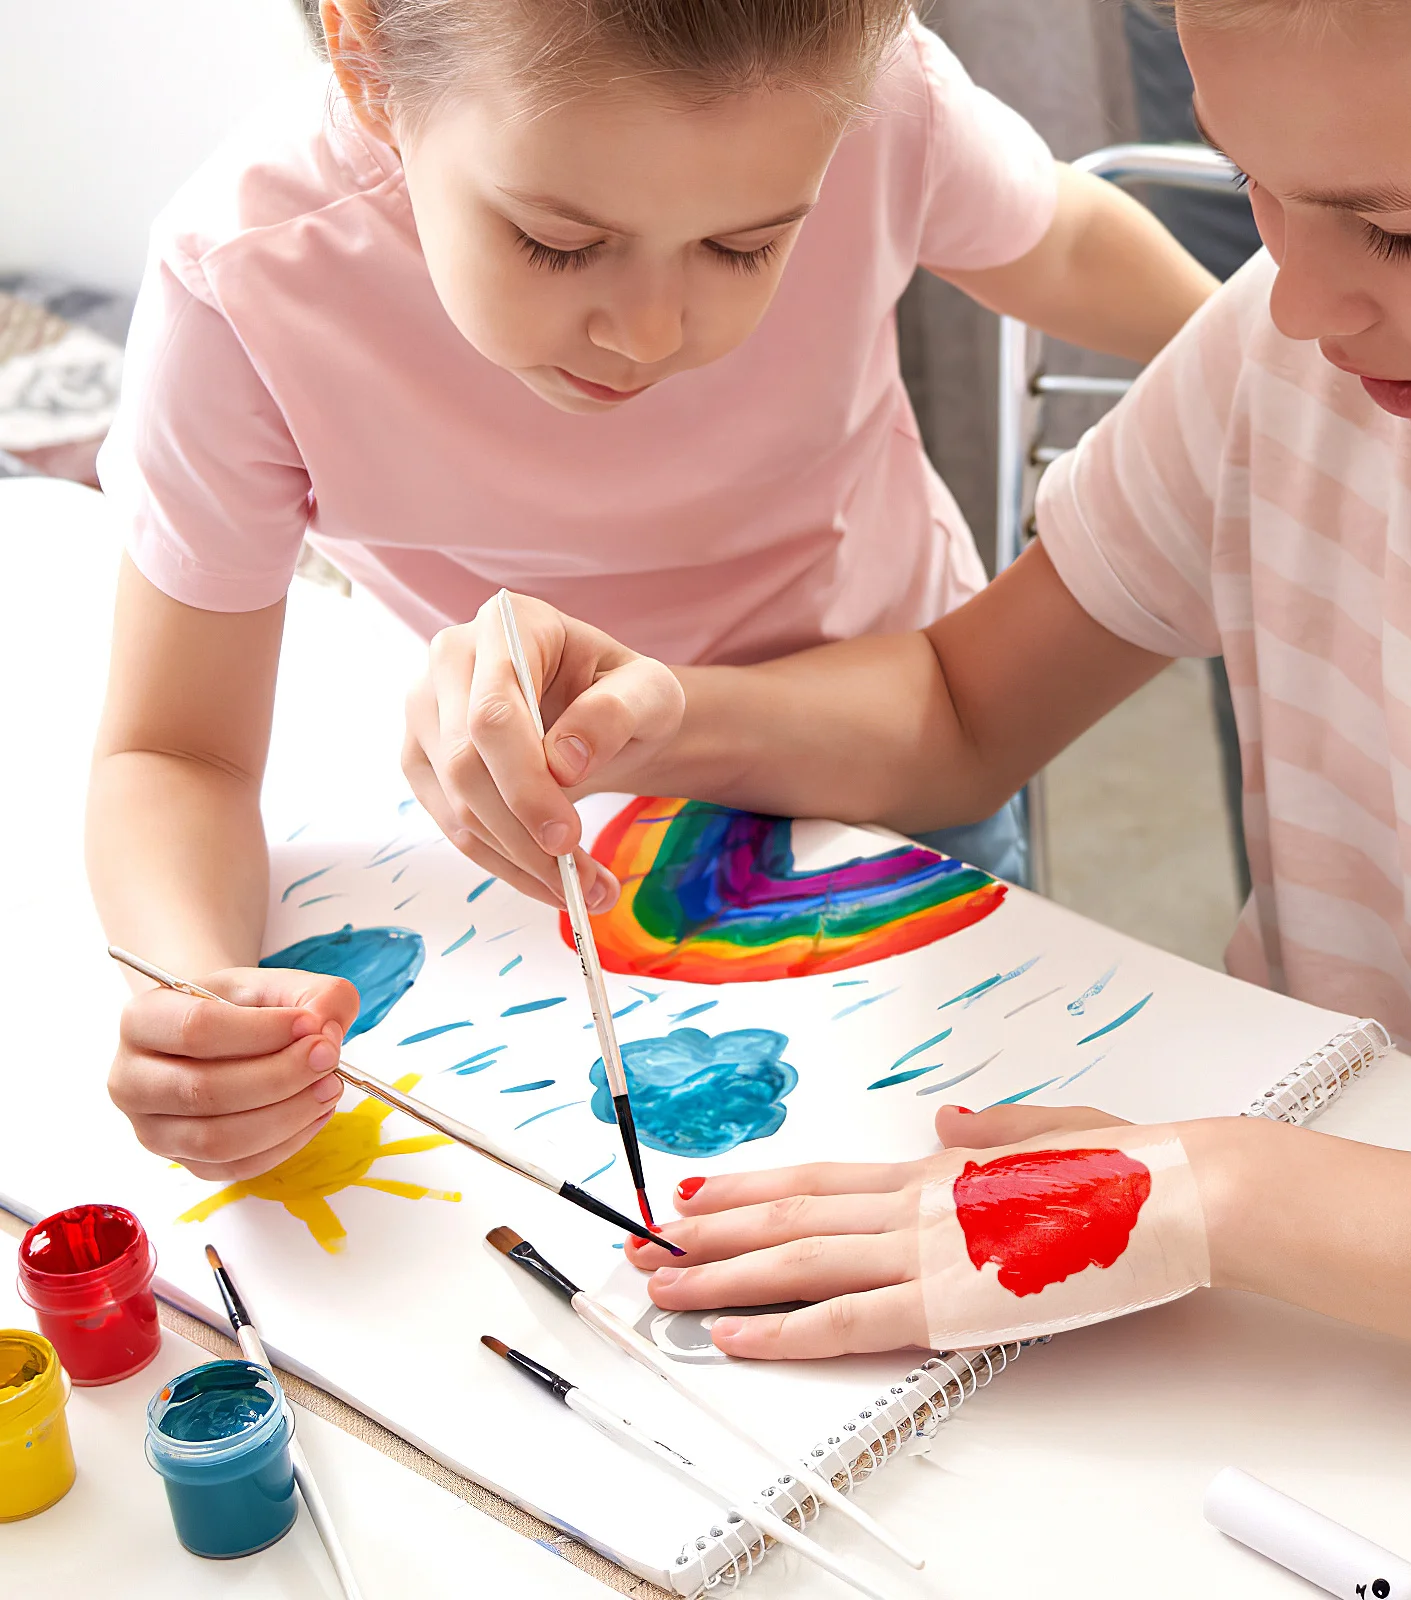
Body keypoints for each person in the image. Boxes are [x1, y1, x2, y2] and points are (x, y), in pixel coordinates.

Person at [399, 0, 1411, 1397]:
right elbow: (967, 709)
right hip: (1314, 1322)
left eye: (1402, 232)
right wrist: (656, 711)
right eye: (1255, 186)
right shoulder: (1283, 364)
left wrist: (1226, 1194)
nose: (1297, 298)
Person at [89, 0, 1214, 1184]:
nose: (650, 332)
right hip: (562, 840)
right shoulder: (244, 282)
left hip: (900, 765)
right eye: (559, 244)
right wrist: (193, 1001)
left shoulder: (876, 96)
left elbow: (1067, 243)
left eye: (746, 246)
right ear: (367, 61)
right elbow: (174, 751)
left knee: (933, 1157)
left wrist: (1284, 374)